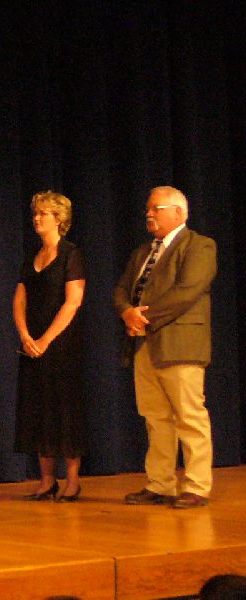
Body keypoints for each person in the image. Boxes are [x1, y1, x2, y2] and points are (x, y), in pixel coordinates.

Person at [113, 186, 216, 508]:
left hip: (179, 344)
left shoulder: (199, 245)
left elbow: (188, 291)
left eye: (156, 208)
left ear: (179, 213)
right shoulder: (143, 251)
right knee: (155, 418)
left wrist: (144, 317)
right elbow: (121, 290)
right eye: (148, 209)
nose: (149, 214)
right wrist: (127, 312)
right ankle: (160, 484)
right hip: (145, 345)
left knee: (189, 416)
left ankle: (197, 486)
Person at [13, 191, 86, 502]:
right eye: (35, 213)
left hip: (62, 345)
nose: (37, 218)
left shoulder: (71, 254)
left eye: (44, 213)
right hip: (33, 346)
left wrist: (45, 339)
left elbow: (72, 303)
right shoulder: (32, 256)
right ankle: (46, 480)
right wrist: (26, 336)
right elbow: (19, 300)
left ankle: (71, 480)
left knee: (64, 410)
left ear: (59, 219)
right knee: (38, 410)